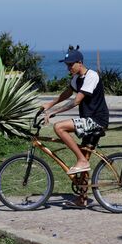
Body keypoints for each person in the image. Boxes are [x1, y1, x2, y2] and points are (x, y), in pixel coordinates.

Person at [41, 48, 109, 205]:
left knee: (59, 127)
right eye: (67, 65)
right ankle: (82, 199)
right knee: (85, 158)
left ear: (80, 63)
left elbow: (76, 100)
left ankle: (80, 160)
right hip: (88, 121)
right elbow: (66, 94)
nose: (68, 68)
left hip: (96, 121)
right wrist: (49, 104)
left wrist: (54, 112)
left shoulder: (91, 76)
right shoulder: (77, 78)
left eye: (71, 65)